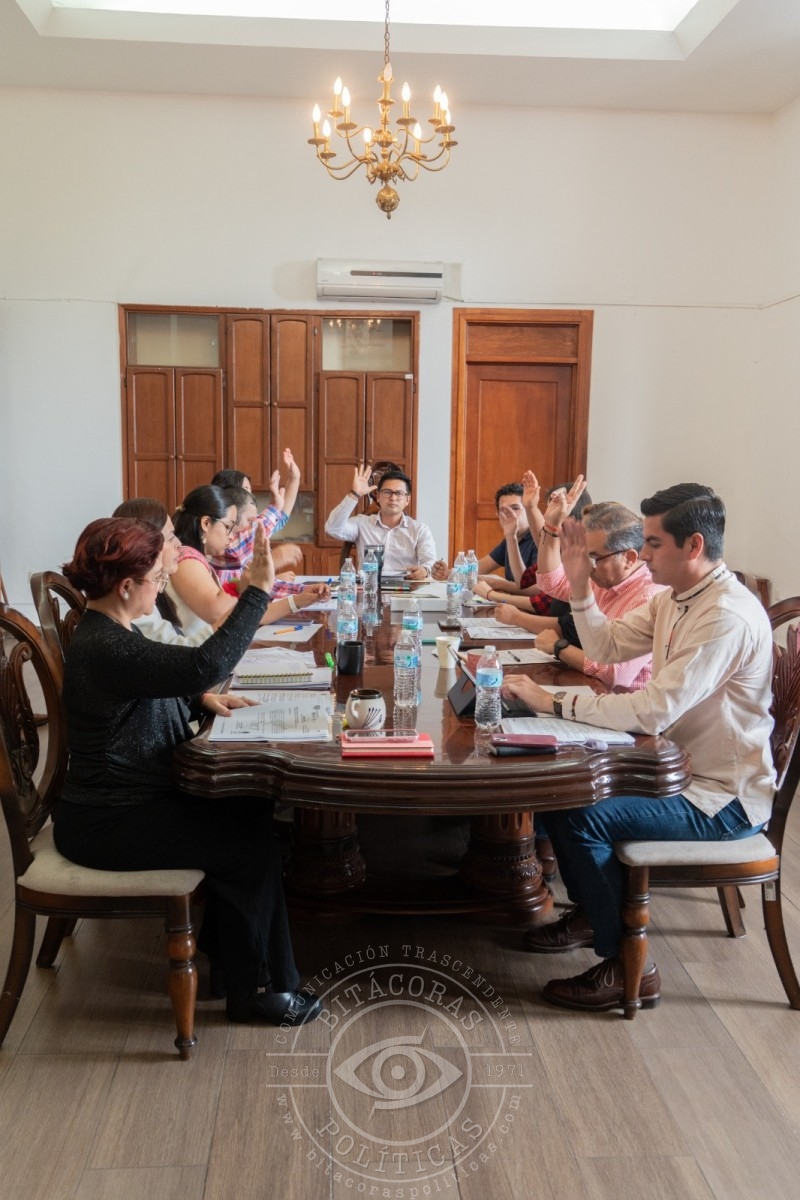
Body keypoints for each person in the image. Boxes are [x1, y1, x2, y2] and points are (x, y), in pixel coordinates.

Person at [502, 483, 776, 1011]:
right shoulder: (675, 599)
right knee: (560, 796)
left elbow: (652, 711)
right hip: (676, 770)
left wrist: (551, 701)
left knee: (581, 815)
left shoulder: (725, 616)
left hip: (721, 798)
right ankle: (596, 914)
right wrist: (579, 585)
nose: (642, 555)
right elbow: (605, 645)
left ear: (693, 545)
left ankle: (631, 966)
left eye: (652, 543)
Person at [54, 517, 320, 1025]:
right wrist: (257, 592)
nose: (162, 585)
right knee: (250, 848)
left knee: (250, 805)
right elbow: (200, 664)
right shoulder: (106, 645)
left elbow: (154, 682)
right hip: (107, 820)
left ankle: (232, 962)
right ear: (126, 586)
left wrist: (200, 699)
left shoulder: (111, 632)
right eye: (157, 578)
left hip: (125, 805)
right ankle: (260, 991)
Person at [495, 485, 664, 690]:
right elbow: (551, 582)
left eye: (593, 558)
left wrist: (558, 647)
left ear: (628, 558)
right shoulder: (605, 575)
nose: (586, 566)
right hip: (592, 689)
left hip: (621, 701)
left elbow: (614, 673)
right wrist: (551, 526)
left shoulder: (648, 597)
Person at [168, 485, 329, 643]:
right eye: (228, 527)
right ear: (206, 523)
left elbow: (243, 611)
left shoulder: (197, 558)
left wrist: (298, 601)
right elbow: (217, 611)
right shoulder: (186, 558)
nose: (231, 537)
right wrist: (261, 567)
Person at [325, 464, 436, 580]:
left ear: (407, 500)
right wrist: (354, 494)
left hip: (405, 587)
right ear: (378, 496)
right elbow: (332, 528)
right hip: (369, 586)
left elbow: (430, 561)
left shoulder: (420, 529)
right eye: (387, 492)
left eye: (399, 493)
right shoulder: (361, 524)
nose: (393, 498)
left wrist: (425, 570)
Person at [210, 451, 303, 579]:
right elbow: (238, 583)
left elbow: (279, 518)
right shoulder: (217, 541)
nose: (250, 496)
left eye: (250, 491)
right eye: (246, 490)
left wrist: (294, 478)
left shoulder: (246, 525)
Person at [432, 482, 538, 583]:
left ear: (528, 509)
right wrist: (448, 573)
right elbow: (477, 568)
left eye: (515, 508)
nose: (510, 514)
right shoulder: (508, 541)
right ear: (498, 515)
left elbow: (532, 588)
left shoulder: (538, 539)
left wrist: (494, 584)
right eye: (504, 510)